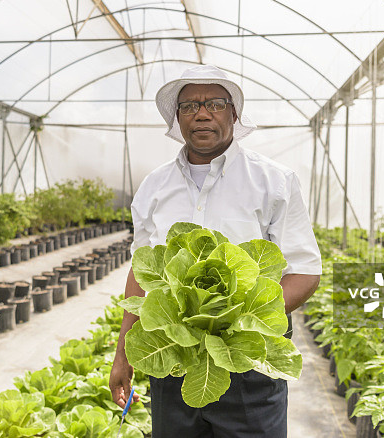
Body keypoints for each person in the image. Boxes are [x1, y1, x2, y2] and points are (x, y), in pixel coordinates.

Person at [109, 65, 322, 438]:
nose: (202, 113)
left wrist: (238, 319)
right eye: (189, 106)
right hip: (172, 360)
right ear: (177, 118)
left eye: (215, 103)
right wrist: (124, 351)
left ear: (234, 114)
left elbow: (304, 271)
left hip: (248, 367)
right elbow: (143, 272)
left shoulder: (273, 181)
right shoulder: (154, 186)